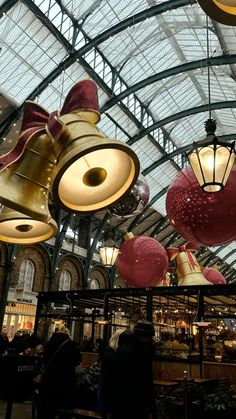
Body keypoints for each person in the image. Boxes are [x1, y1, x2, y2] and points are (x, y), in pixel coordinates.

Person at [99, 321, 157, 419]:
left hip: (122, 406)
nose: (151, 339)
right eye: (150, 337)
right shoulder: (135, 352)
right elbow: (140, 383)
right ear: (144, 336)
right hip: (131, 406)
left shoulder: (127, 350)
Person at [36, 327, 82, 419]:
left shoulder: (49, 343)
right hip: (65, 381)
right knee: (64, 410)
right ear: (68, 334)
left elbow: (44, 359)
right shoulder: (70, 344)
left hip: (49, 380)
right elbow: (77, 360)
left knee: (47, 408)